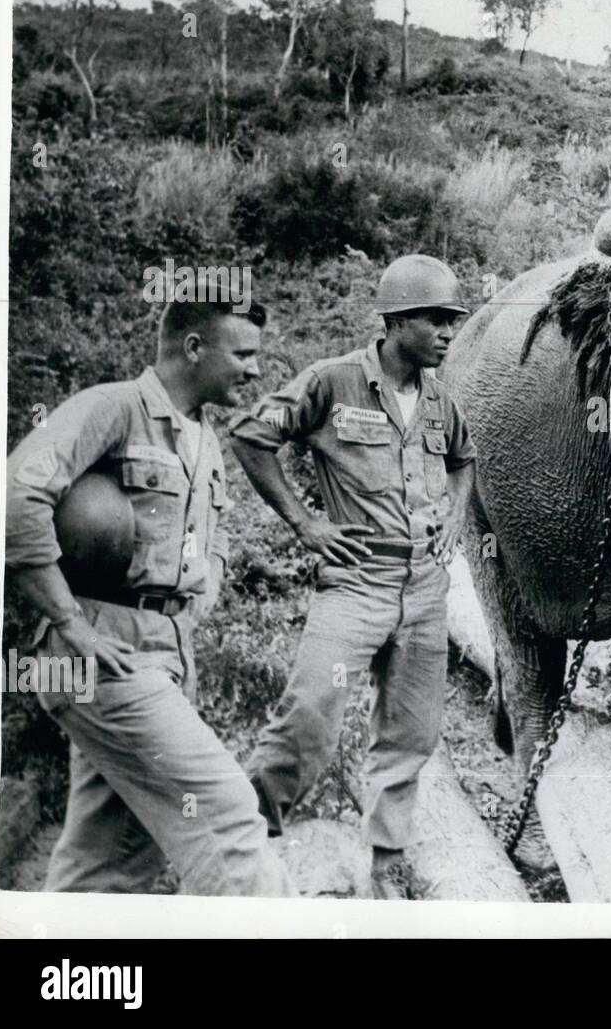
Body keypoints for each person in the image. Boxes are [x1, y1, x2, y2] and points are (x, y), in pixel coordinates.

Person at [4, 285, 294, 897]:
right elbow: (16, 497)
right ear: (193, 347)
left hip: (164, 654)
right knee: (227, 815)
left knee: (112, 859)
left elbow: (207, 537)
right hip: (97, 653)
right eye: (243, 354)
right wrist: (70, 622)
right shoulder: (112, 408)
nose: (255, 370)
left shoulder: (202, 436)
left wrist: (203, 583)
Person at [229, 254, 475, 900]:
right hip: (356, 582)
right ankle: (248, 840)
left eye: (453, 319)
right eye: (436, 319)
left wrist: (456, 517)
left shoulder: (441, 398)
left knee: (410, 735)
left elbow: (463, 459)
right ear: (395, 322)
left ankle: (386, 864)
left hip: (424, 588)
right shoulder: (332, 381)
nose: (449, 331)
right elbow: (252, 436)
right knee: (311, 713)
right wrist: (305, 523)